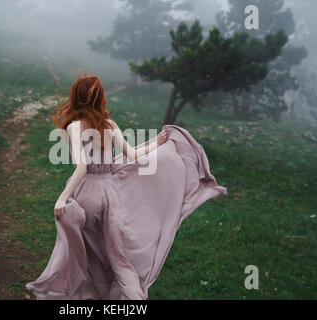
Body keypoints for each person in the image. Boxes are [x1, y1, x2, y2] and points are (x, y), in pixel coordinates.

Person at [26, 75, 227, 300]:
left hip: (87, 195)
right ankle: (130, 298)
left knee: (93, 256)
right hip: (111, 195)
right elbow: (132, 155)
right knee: (115, 254)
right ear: (99, 97)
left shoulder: (75, 127)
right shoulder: (109, 124)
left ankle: (97, 297)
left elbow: (82, 167)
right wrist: (157, 143)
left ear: (76, 97)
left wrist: (62, 198)